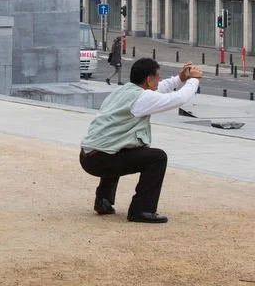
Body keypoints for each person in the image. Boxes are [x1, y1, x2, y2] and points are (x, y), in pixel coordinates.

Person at [78, 58, 202, 224]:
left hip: (88, 156)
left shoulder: (123, 91)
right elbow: (178, 99)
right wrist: (194, 80)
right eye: (157, 77)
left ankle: (103, 201)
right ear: (149, 80)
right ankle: (142, 210)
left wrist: (180, 79)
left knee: (118, 148)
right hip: (100, 160)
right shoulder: (141, 99)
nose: (159, 81)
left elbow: (159, 90)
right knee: (158, 157)